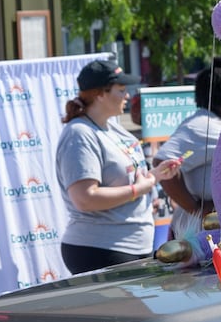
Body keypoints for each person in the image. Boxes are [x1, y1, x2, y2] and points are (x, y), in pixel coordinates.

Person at [54, 57, 155, 274]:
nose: (127, 95)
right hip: (101, 249)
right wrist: (137, 191)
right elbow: (85, 198)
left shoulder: (113, 129)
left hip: (131, 247)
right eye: (120, 90)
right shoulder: (79, 134)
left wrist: (155, 178)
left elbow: (130, 180)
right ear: (100, 94)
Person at [153, 57, 221, 240]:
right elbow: (162, 162)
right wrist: (196, 210)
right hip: (198, 233)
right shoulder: (204, 125)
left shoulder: (213, 123)